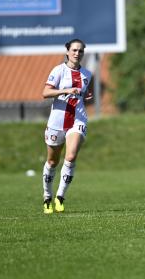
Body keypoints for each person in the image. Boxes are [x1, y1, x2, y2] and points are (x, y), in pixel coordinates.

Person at [41, 38, 93, 214]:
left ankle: (60, 197)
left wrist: (86, 97)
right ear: (67, 52)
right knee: (52, 161)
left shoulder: (87, 74)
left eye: (80, 51)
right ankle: (47, 196)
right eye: (74, 50)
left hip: (78, 119)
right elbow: (45, 92)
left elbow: (85, 94)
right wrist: (65, 91)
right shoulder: (58, 70)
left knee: (70, 157)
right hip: (57, 120)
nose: (77, 53)